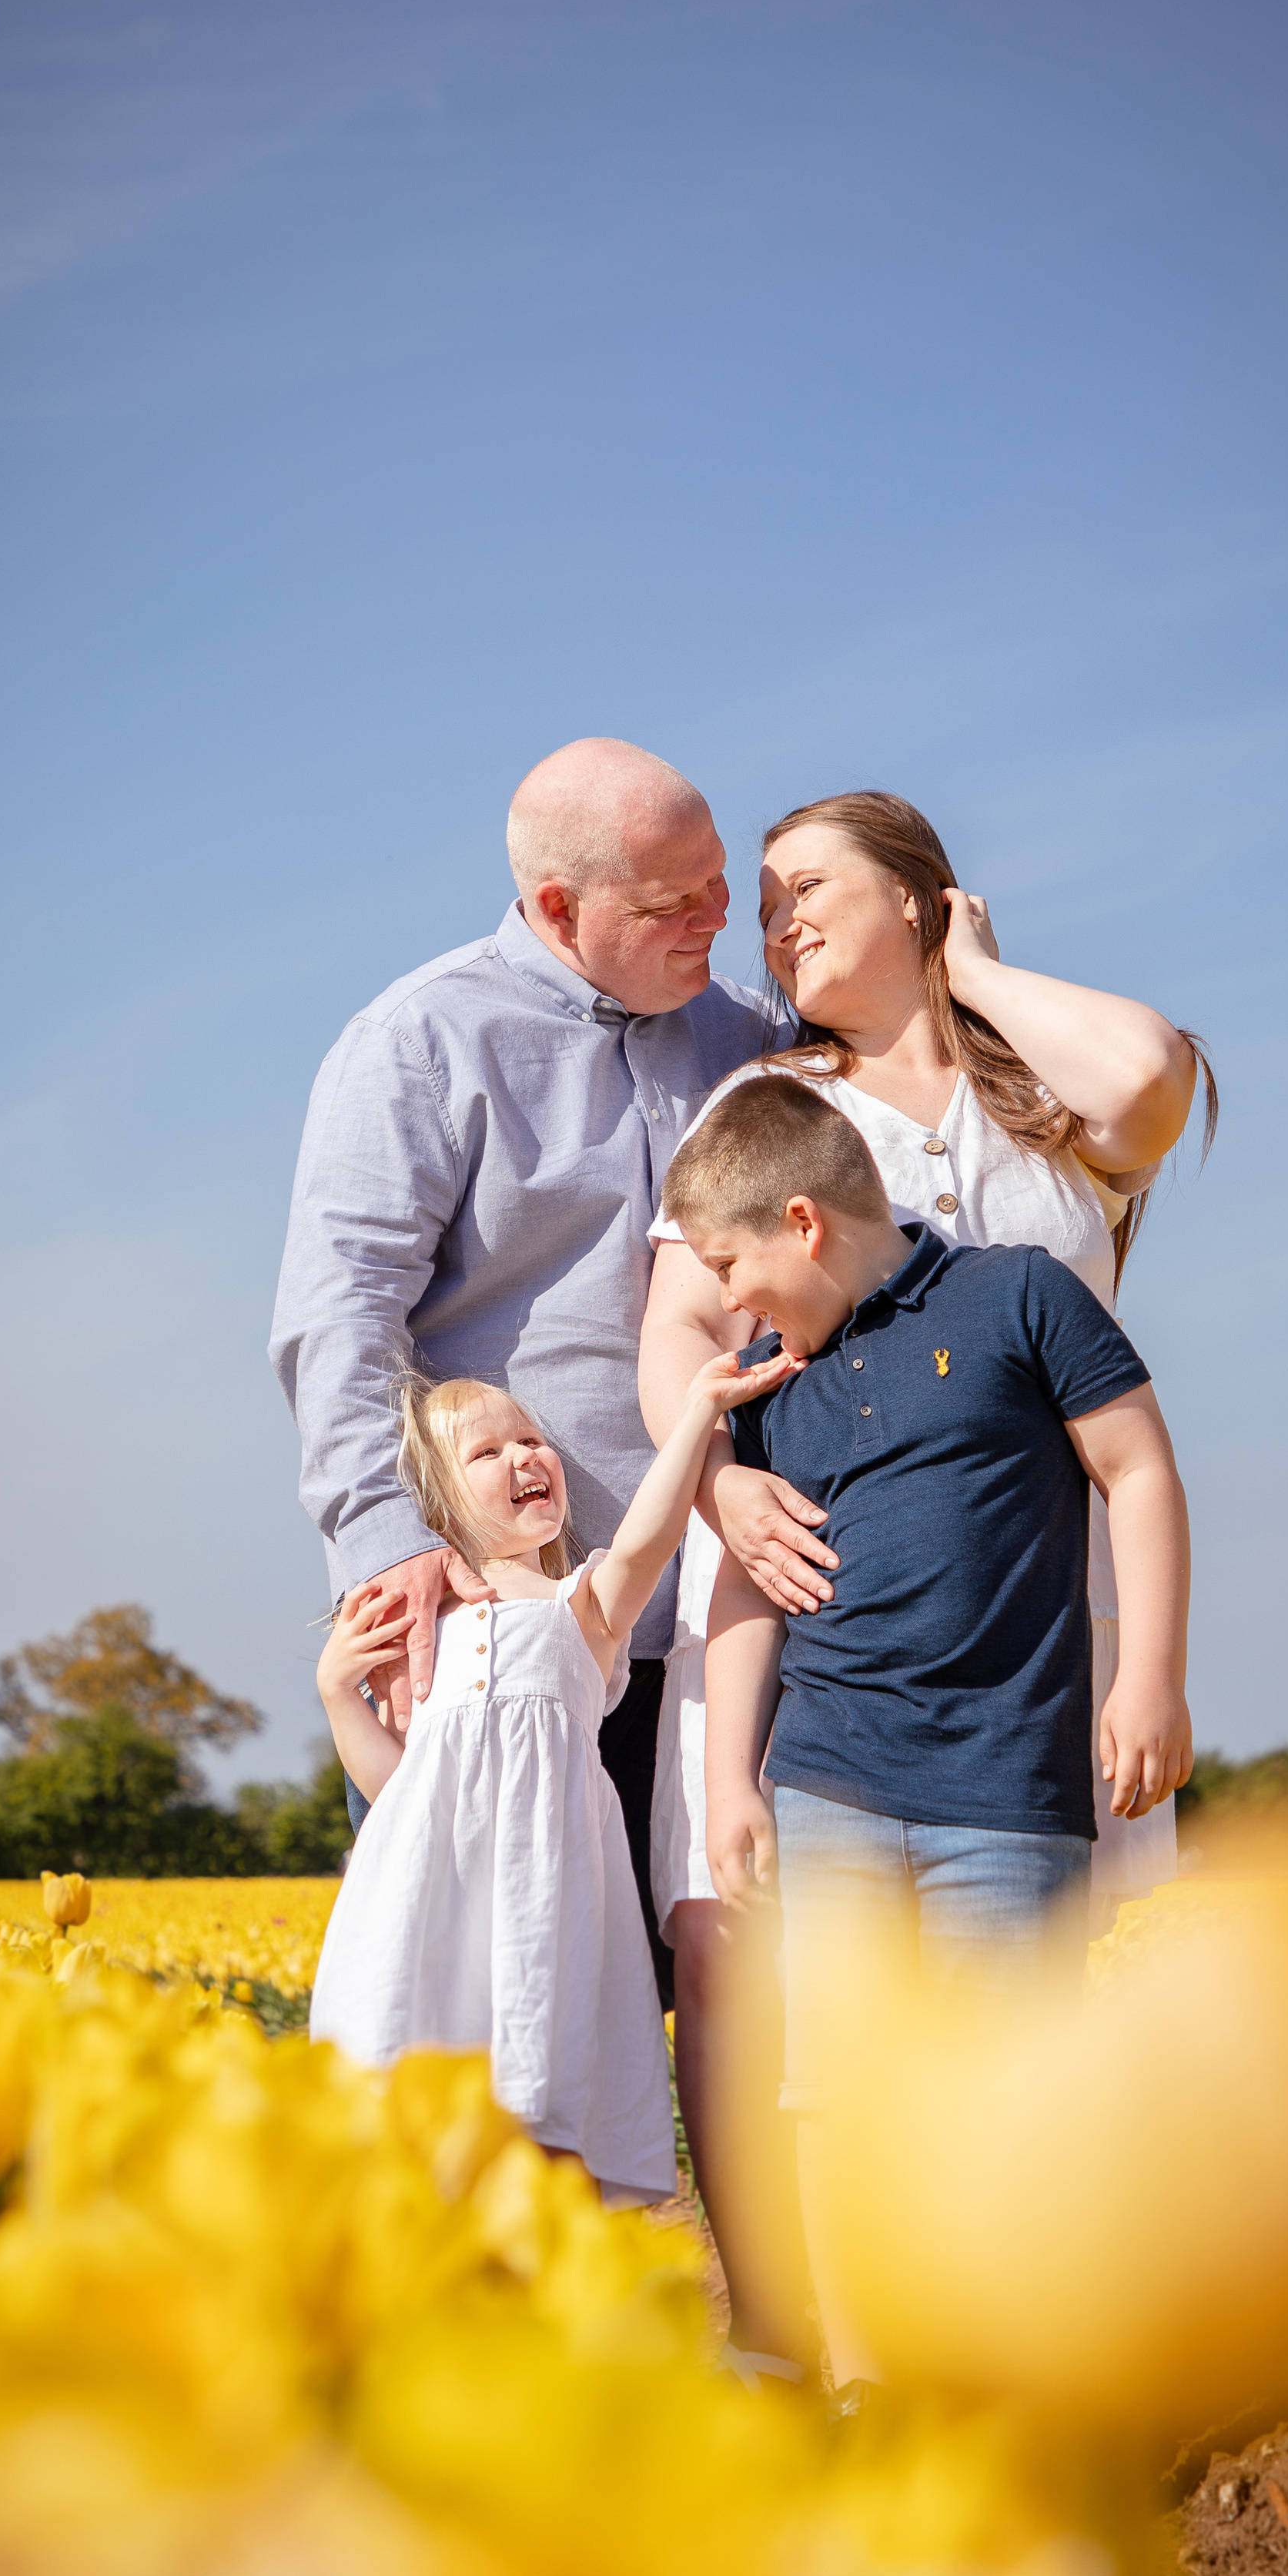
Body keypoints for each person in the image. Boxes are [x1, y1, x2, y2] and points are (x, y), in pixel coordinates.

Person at [636, 789, 1210, 2340]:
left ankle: (1009, 2335)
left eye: (805, 886)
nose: (775, 923)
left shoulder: (1048, 1108)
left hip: (1022, 1627)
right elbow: (674, 1336)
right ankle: (795, 2340)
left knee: (1018, 1993)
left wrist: (975, 979)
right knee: (788, 1999)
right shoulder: (766, 1100)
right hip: (801, 1569)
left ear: (920, 898)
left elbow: (1153, 1075)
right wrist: (711, 1507)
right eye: (762, 903)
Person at [270, 737, 813, 2005]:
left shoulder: (756, 1044)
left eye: (721, 883)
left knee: (736, 2027)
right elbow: (337, 1317)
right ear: (561, 908)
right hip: (495, 1638)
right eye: (674, 901)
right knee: (484, 2025)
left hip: (720, 1624)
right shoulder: (417, 1043)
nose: (721, 919)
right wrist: (396, 1550)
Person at [306, 1338, 795, 2206]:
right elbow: (399, 1797)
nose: (524, 1457)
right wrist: (339, 1694)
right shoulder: (426, 1632)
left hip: (540, 1905)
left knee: (545, 2097)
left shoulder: (585, 1606)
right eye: (486, 1453)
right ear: (436, 1501)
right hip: (431, 1908)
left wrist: (695, 1414)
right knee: (423, 2113)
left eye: (530, 1441)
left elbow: (649, 1531)